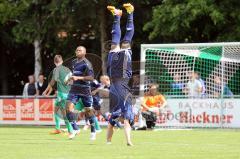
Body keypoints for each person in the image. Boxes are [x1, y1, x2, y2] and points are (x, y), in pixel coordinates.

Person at [106, 3, 134, 146]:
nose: (121, 121)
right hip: (119, 76)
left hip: (117, 78)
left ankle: (117, 16)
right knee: (124, 43)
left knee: (115, 44)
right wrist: (108, 143)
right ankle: (129, 13)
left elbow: (122, 123)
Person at [65, 46, 97, 141]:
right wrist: (69, 79)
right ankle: (75, 129)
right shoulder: (74, 62)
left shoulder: (87, 64)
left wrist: (78, 78)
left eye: (80, 50)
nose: (78, 51)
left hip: (85, 90)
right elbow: (74, 74)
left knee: (88, 111)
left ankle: (93, 130)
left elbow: (91, 78)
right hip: (74, 89)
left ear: (85, 52)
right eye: (77, 50)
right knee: (67, 107)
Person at [42, 55, 76, 139]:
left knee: (64, 114)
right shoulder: (67, 69)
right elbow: (72, 80)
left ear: (54, 62)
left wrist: (46, 91)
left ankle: (71, 131)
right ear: (62, 61)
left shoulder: (56, 69)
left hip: (62, 94)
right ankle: (58, 128)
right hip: (68, 93)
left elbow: (53, 82)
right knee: (56, 109)